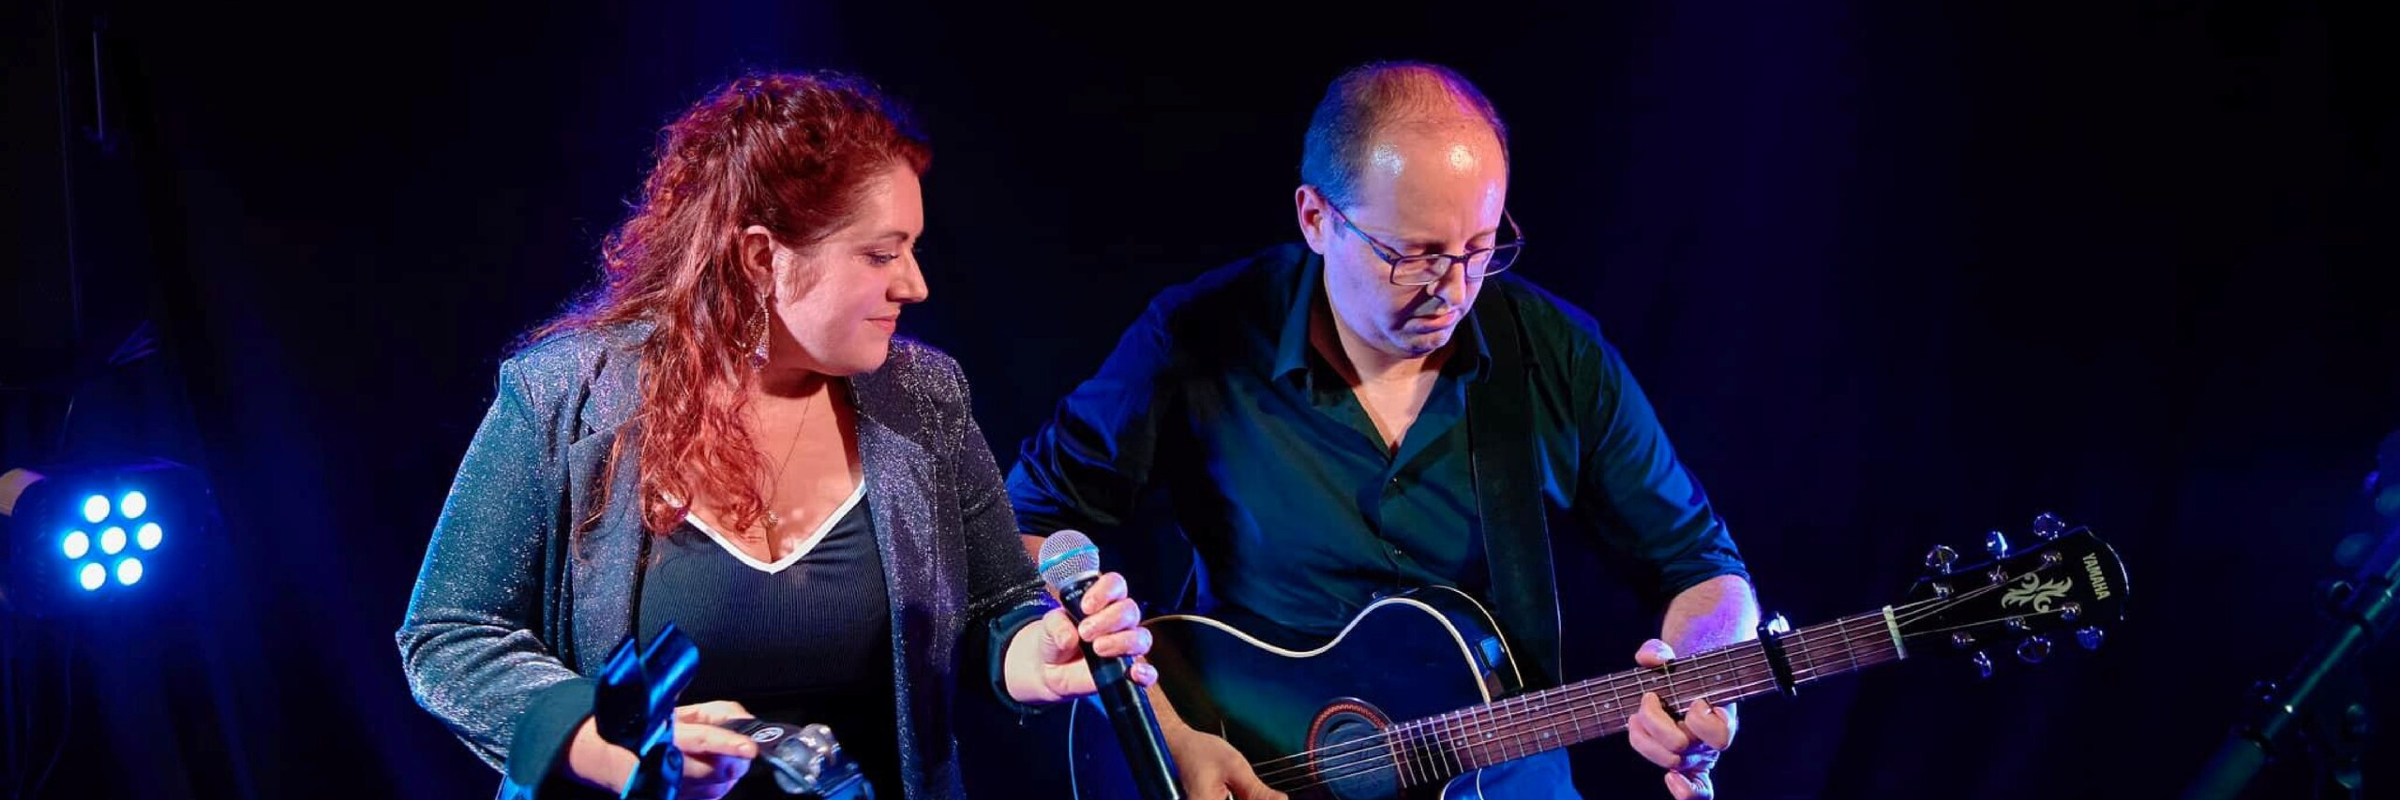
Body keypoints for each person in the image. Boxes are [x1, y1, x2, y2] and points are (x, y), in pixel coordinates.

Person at [1007, 61, 1758, 800]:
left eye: (1481, 247)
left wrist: (1698, 682)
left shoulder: (1557, 355)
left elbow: (1703, 566)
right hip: (1254, 768)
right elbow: (1028, 528)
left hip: (1498, 777)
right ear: (1316, 218)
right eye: (1417, 254)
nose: (1456, 289)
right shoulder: (1197, 339)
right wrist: (1171, 736)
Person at [397, 71, 1155, 800]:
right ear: (762, 257)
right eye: (881, 254)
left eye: (913, 250)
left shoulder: (923, 398)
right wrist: (609, 744)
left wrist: (1037, 656)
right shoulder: (563, 394)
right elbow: (451, 635)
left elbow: (1000, 605)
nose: (915, 284)